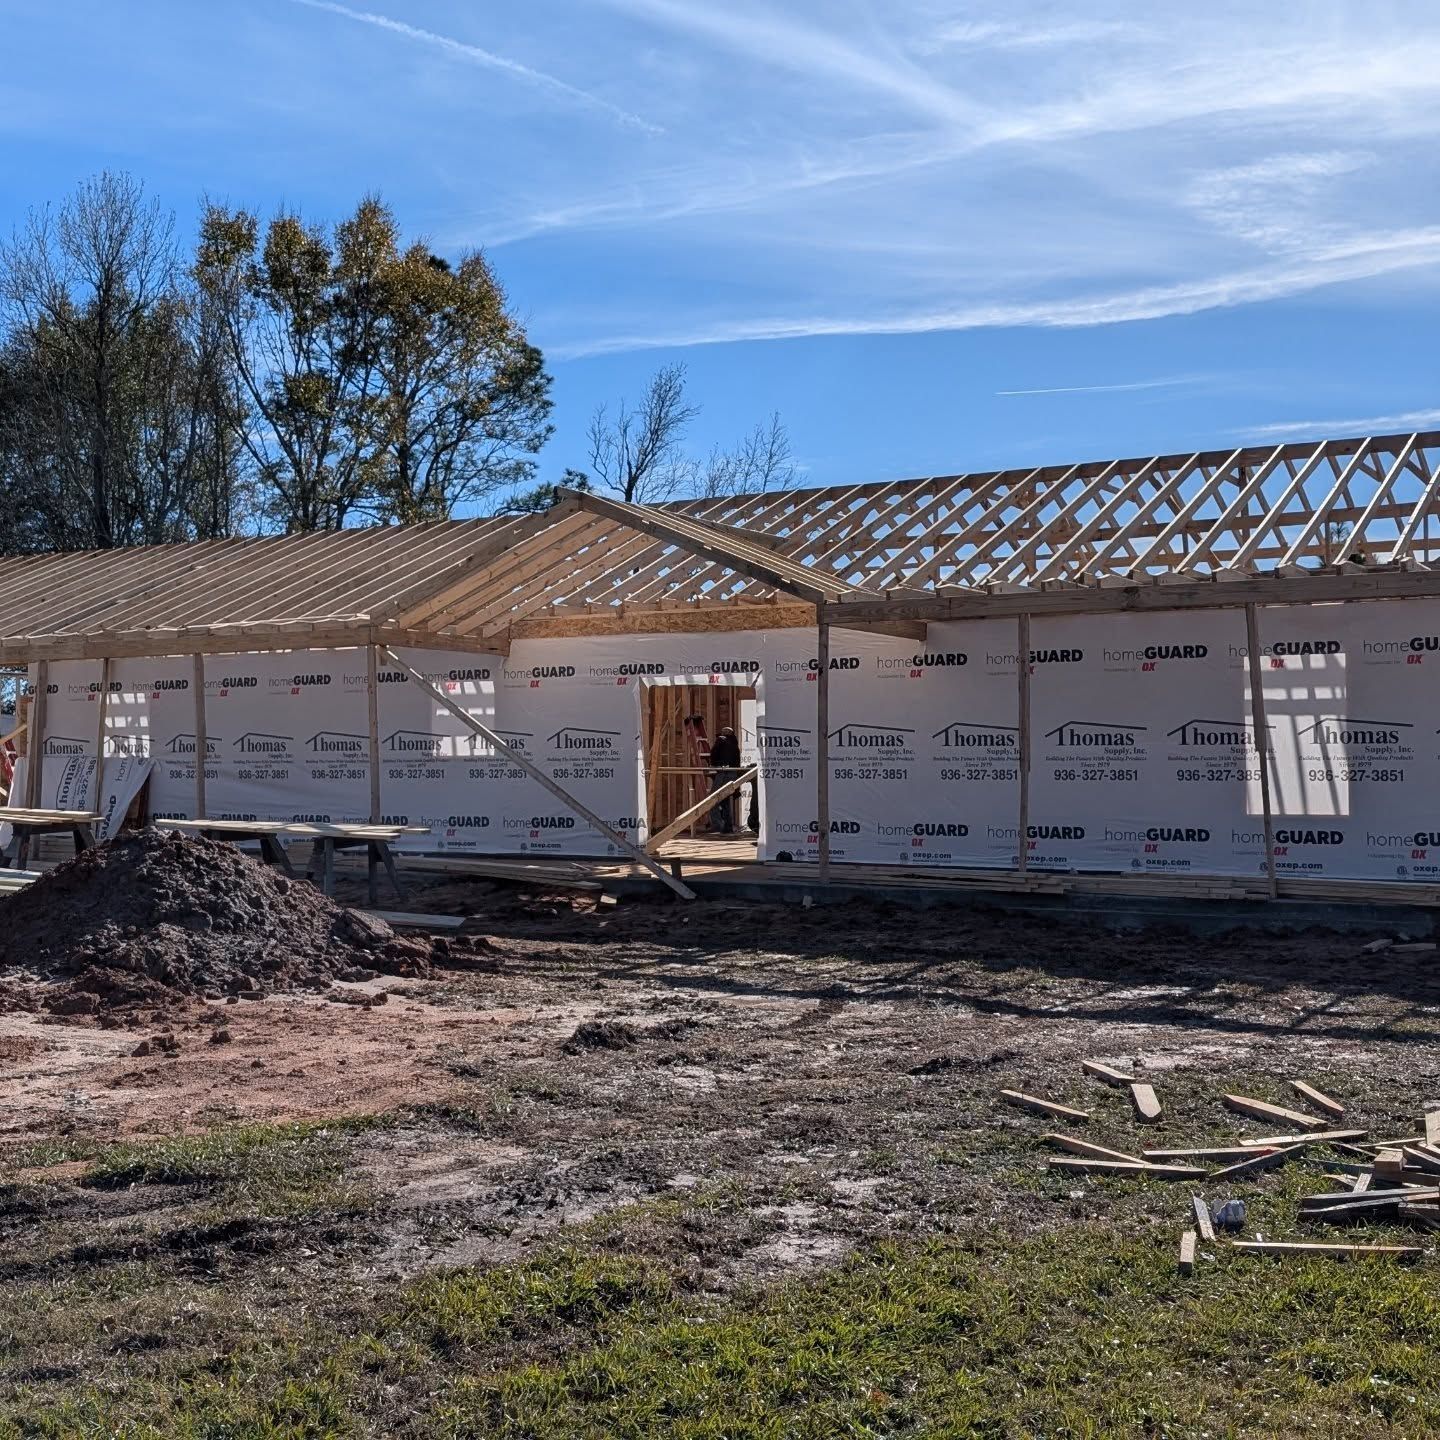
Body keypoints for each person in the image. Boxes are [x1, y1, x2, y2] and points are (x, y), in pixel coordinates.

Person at [707, 724, 742, 834]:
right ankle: (728, 827)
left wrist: (713, 765)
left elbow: (713, 754)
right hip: (732, 773)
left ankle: (718, 825)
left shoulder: (720, 740)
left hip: (723, 772)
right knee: (725, 800)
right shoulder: (735, 743)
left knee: (713, 800)